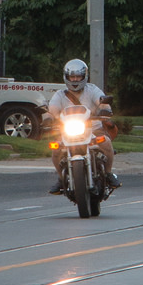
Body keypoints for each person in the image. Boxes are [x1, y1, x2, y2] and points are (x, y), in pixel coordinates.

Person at [44, 58, 119, 195]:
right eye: (72, 77)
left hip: (93, 129)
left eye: (78, 76)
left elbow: (101, 101)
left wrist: (104, 108)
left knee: (106, 142)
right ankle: (61, 179)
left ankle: (108, 174)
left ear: (84, 76)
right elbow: (52, 109)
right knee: (55, 149)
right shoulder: (60, 95)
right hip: (68, 132)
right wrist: (48, 118)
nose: (75, 80)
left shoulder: (92, 90)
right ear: (66, 77)